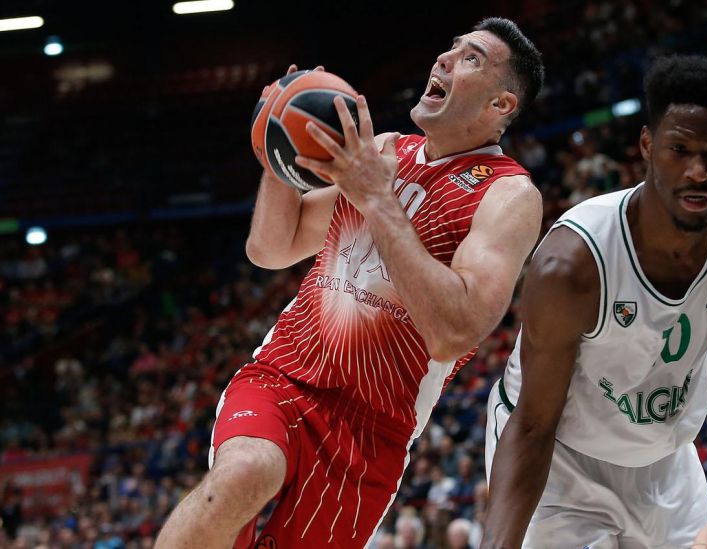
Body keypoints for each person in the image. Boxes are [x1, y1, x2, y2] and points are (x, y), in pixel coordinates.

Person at [156, 17, 544, 549]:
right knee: (245, 470)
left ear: (501, 104)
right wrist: (280, 146)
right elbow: (271, 248)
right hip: (286, 377)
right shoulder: (380, 151)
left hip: (372, 434)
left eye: (471, 58)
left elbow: (454, 332)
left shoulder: (508, 196)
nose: (445, 59)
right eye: (451, 48)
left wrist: (376, 198)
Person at [482, 55, 707, 548]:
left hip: (665, 462)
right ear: (647, 145)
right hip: (559, 458)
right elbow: (533, 425)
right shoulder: (574, 263)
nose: (698, 171)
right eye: (680, 149)